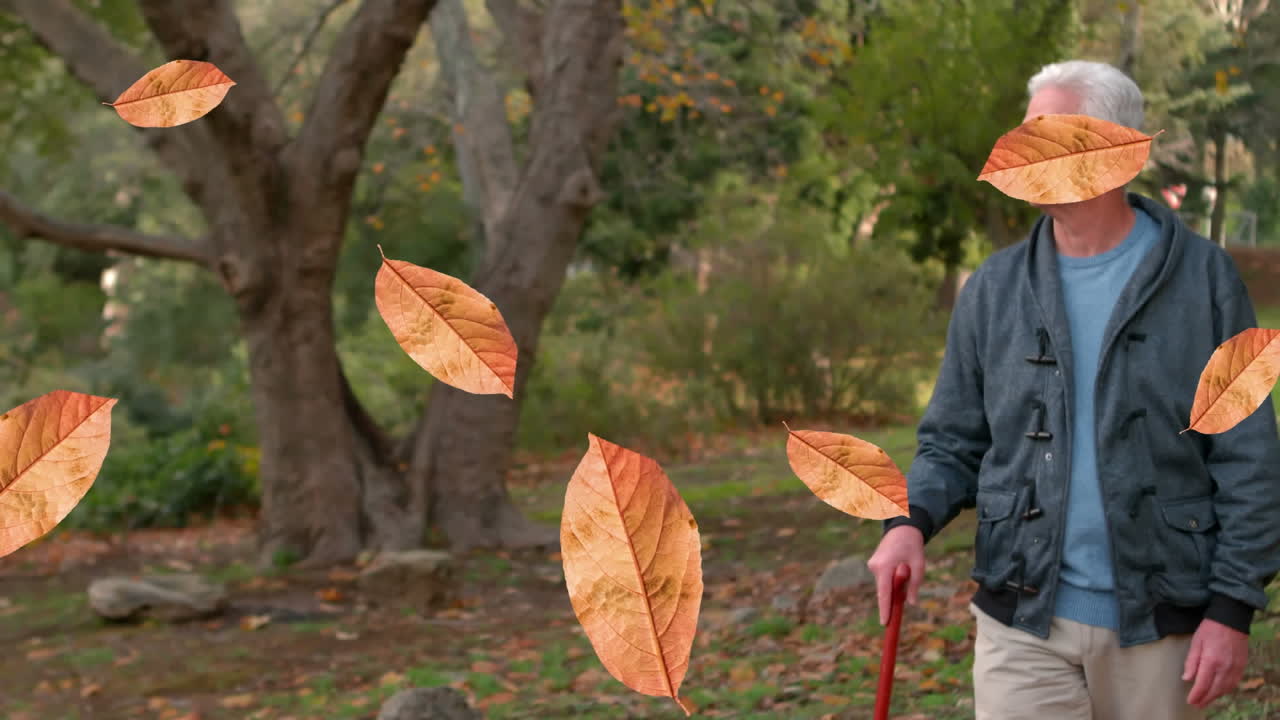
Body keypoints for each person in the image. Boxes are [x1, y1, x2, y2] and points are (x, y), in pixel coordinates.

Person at [867, 59, 1280, 720]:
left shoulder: (1205, 281)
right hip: (1020, 616)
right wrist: (907, 524)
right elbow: (950, 440)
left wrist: (1232, 608)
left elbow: (1248, 456)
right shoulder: (994, 288)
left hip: (1159, 621)